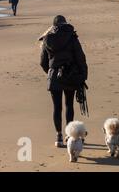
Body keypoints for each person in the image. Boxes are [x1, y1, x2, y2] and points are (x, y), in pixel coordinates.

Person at [39, 16, 88, 148]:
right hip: (70, 75)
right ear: (65, 23)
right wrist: (83, 75)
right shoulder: (72, 37)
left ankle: (59, 136)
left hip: (54, 75)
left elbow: (43, 62)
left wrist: (50, 72)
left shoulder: (47, 38)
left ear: (54, 25)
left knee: (57, 107)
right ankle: (70, 135)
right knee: (69, 105)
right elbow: (80, 57)